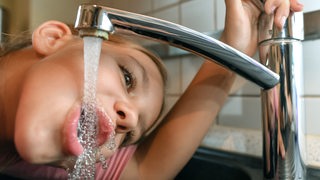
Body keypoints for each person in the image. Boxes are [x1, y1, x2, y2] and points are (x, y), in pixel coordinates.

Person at [0, 0, 303, 179]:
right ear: (53, 38)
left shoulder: (37, 163)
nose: (128, 119)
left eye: (129, 136)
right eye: (127, 78)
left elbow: (146, 170)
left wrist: (238, 45)